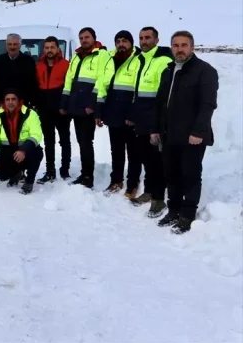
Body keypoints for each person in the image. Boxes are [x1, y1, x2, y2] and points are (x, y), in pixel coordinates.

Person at [152, 30, 218, 234]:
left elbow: (208, 105)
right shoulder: (168, 71)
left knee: (189, 175)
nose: (179, 49)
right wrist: (156, 129)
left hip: (192, 136)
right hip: (169, 134)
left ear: (192, 47)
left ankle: (187, 215)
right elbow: (160, 104)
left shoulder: (204, 71)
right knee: (171, 174)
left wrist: (198, 131)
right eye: (176, 45)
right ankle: (173, 210)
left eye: (184, 45)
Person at [129, 26, 173, 213]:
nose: (144, 41)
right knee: (146, 158)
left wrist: (159, 122)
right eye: (141, 38)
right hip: (141, 120)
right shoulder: (142, 59)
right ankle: (149, 191)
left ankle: (158, 198)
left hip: (155, 120)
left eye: (148, 37)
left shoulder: (163, 60)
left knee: (156, 160)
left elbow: (164, 95)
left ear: (156, 39)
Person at [60, 27, 111, 188]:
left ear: (94, 38)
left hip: (87, 107)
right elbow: (69, 79)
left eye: (87, 37)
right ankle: (84, 173)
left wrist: (92, 103)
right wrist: (64, 101)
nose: (84, 40)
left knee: (86, 141)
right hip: (75, 105)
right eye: (81, 38)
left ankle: (88, 176)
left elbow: (104, 79)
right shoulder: (76, 56)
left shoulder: (102, 55)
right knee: (81, 141)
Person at [99, 30, 143, 195]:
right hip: (113, 113)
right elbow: (102, 84)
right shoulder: (110, 59)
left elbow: (139, 89)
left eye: (124, 41)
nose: (121, 44)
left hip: (130, 115)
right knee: (116, 151)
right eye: (118, 41)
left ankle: (132, 184)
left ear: (131, 43)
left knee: (133, 152)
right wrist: (99, 111)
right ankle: (116, 181)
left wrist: (134, 114)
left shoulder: (139, 59)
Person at [0, 89, 44, 194]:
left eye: (13, 99)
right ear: (4, 101)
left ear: (19, 101)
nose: (10, 102)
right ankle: (16, 174)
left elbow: (36, 135)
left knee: (37, 152)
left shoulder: (30, 114)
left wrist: (23, 150)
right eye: (7, 99)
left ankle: (29, 181)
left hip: (26, 152)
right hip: (8, 152)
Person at [35, 36, 72, 183]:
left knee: (64, 140)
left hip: (61, 109)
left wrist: (65, 106)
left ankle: (65, 170)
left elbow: (70, 87)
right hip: (45, 109)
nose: (49, 50)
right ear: (44, 49)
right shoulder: (38, 66)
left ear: (58, 49)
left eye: (52, 47)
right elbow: (36, 86)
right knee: (48, 141)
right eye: (47, 47)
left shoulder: (66, 65)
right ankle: (50, 171)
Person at [0, 33, 38, 110]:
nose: (12, 47)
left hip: (22, 105)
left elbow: (32, 83)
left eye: (15, 44)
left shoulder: (29, 61)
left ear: (20, 45)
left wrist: (31, 102)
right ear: (6, 45)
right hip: (2, 105)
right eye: (9, 44)